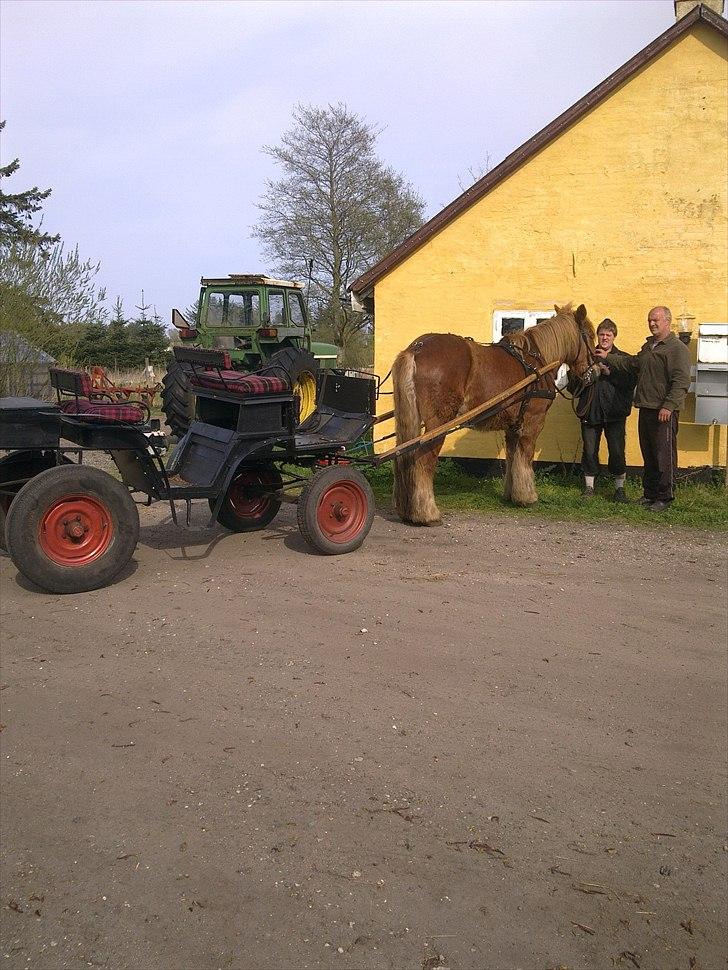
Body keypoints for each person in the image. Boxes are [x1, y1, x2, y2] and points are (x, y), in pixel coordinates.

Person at [596, 306, 691, 511]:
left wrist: (669, 406)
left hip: (664, 410)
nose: (652, 323)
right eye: (649, 320)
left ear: (667, 321)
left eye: (656, 320)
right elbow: (631, 364)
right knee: (648, 454)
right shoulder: (649, 347)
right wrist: (608, 356)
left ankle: (665, 497)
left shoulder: (676, 348)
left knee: (663, 455)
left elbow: (681, 382)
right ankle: (650, 494)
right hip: (646, 407)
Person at [571, 318, 636, 502]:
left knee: (616, 451)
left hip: (615, 414)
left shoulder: (623, 359)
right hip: (590, 413)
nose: (605, 338)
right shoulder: (586, 357)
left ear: (614, 337)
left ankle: (619, 489)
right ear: (597, 336)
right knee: (590, 451)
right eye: (602, 334)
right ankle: (589, 488)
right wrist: (584, 377)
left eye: (608, 335)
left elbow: (631, 383)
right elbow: (572, 388)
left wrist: (611, 373)